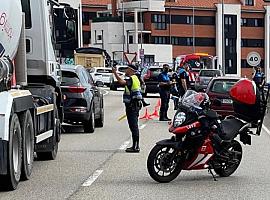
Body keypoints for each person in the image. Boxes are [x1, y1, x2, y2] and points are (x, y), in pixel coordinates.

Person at [112, 64, 142, 153]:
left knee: (134, 126)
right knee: (134, 126)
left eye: (127, 69)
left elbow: (122, 82)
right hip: (134, 104)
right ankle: (135, 145)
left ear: (131, 70)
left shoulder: (132, 78)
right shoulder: (136, 78)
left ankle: (135, 146)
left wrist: (115, 73)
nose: (125, 70)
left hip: (132, 105)